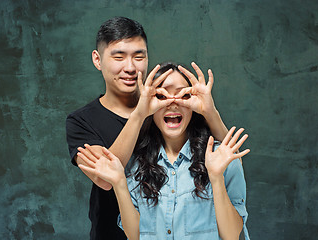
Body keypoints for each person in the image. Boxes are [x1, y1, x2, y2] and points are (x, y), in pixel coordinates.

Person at [66, 17, 232, 239]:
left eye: (139, 56)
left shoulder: (169, 106)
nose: (130, 67)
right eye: (118, 56)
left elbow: (227, 156)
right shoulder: (82, 121)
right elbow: (105, 179)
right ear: (97, 59)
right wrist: (140, 113)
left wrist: (210, 112)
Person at [78, 63, 250, 240]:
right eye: (162, 95)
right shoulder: (136, 162)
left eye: (183, 95)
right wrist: (120, 183)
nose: (173, 102)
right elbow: (135, 235)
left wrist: (216, 178)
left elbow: (232, 235)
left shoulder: (220, 156)